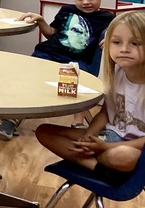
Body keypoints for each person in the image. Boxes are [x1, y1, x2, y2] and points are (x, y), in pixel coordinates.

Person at [0, 0, 114, 140]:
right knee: (28, 79)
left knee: (79, 81)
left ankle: (78, 123)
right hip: (49, 54)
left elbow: (121, 33)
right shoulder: (66, 11)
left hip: (79, 61)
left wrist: (112, 39)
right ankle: (13, 117)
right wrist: (41, 20)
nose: (85, 2)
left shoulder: (108, 19)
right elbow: (51, 34)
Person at [35, 10, 145, 189]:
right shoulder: (117, 72)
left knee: (123, 155)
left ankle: (98, 160)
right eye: (116, 42)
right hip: (110, 137)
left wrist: (105, 148)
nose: (124, 49)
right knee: (44, 131)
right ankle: (98, 168)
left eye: (135, 43)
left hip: (135, 149)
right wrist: (89, 137)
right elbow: (105, 113)